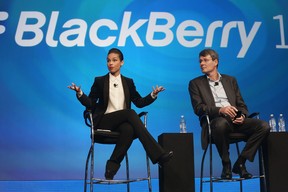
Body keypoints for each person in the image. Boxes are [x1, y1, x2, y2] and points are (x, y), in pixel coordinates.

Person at [68, 48, 173, 180]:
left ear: (121, 62)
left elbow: (139, 102)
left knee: (128, 129)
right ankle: (158, 155)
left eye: (114, 60)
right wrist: (79, 93)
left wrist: (153, 95)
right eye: (108, 61)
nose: (110, 63)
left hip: (122, 123)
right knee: (130, 114)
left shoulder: (128, 82)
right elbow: (90, 103)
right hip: (104, 120)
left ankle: (111, 168)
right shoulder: (100, 81)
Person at [188, 48, 270, 179]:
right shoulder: (195, 83)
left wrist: (242, 116)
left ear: (215, 62)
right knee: (221, 123)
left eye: (205, 60)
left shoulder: (230, 80)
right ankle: (226, 164)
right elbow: (198, 108)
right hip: (215, 122)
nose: (201, 63)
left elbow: (241, 105)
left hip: (235, 121)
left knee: (264, 126)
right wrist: (220, 110)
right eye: (200, 61)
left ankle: (241, 162)